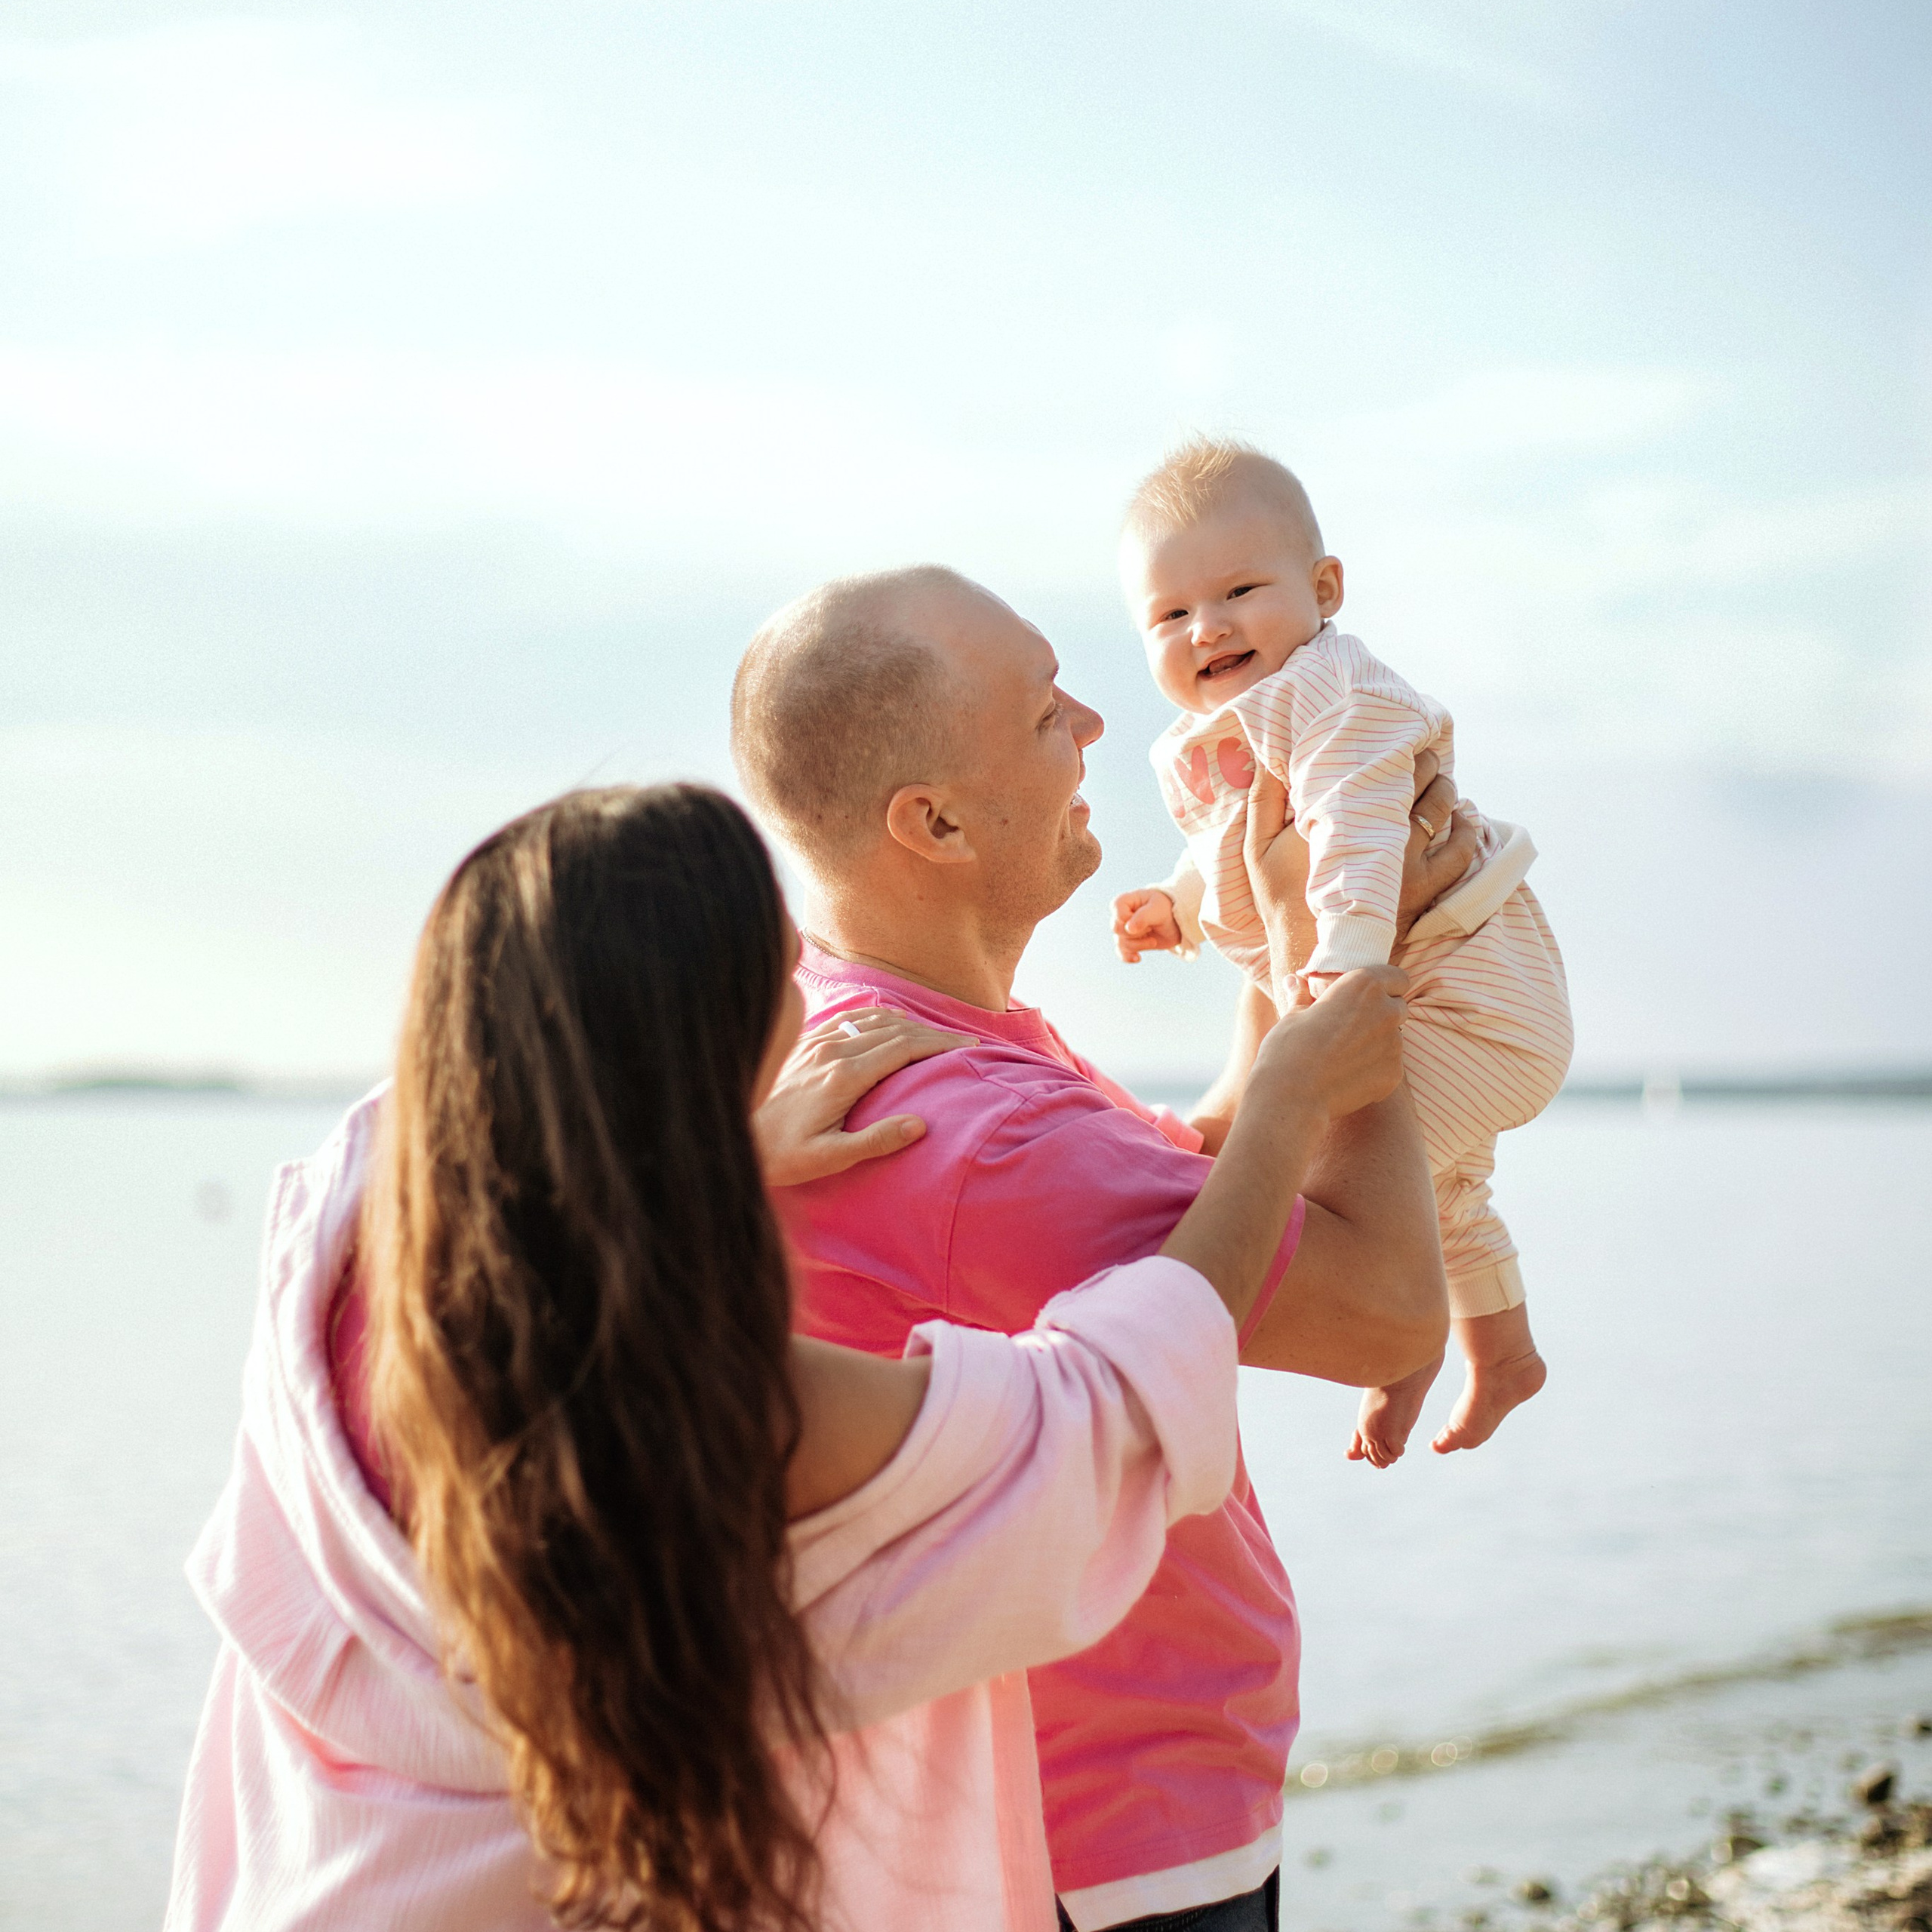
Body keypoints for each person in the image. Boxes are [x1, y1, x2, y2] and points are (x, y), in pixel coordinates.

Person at [164, 781, 1408, 1932]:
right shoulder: (720, 1412)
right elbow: (1101, 1418)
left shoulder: (356, 1221)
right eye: (787, 971)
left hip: (312, 1877)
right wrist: (1291, 1107)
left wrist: (721, 1160)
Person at [730, 569, 1466, 1932]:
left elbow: (1202, 1183)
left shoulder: (906, 1031)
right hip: (1108, 1853)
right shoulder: (972, 1135)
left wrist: (1288, 910)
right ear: (932, 820)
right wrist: (1371, 953)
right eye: (1039, 713)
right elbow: (1387, 1311)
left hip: (1065, 1822)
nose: (1090, 725)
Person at [1111, 436, 1574, 1466]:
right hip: (1450, 988)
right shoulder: (1244, 723)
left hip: (1473, 990)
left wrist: (1347, 963)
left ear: (1324, 589)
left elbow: (1358, 826)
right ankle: (1504, 1353)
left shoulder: (1333, 696)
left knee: (1362, 1181)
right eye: (1172, 614)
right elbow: (1232, 847)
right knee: (1435, 1189)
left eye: (1238, 589)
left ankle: (1396, 1351)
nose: (1208, 625)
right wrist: (1179, 909)